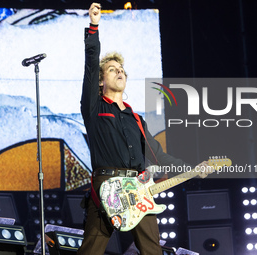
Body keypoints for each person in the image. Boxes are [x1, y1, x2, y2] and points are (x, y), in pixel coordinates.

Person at [78, 3, 211, 254]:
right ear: (100, 80)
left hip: (139, 188)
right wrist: (94, 27)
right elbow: (90, 64)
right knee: (91, 250)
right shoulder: (94, 108)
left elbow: (158, 155)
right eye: (112, 69)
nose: (119, 72)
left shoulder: (136, 119)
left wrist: (192, 169)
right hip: (106, 187)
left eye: (122, 70)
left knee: (152, 249)